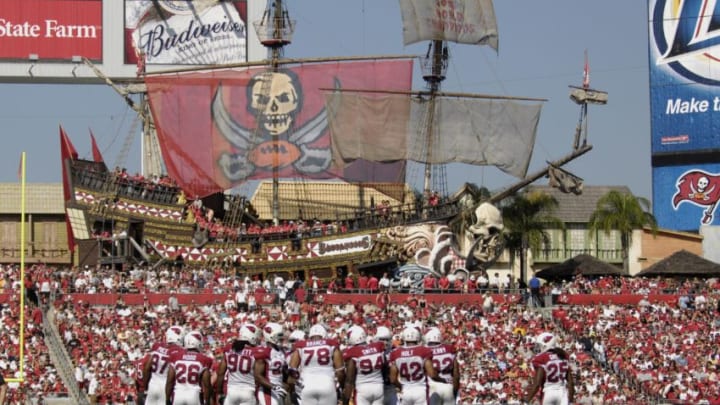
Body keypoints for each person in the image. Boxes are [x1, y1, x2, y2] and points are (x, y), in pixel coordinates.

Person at [288, 323, 345, 405]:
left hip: (306, 386)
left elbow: (292, 372)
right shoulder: (331, 343)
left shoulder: (301, 346)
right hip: (327, 385)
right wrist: (341, 387)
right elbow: (340, 372)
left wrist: (293, 390)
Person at [388, 327, 442, 405]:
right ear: (417, 337)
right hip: (420, 390)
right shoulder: (423, 351)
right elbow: (432, 373)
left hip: (405, 391)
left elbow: (392, 379)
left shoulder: (395, 353)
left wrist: (400, 386)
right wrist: (442, 380)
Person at [523, 332, 575, 405]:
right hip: (562, 393)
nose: (539, 347)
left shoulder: (542, 358)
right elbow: (571, 383)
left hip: (548, 392)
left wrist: (526, 401)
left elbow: (537, 384)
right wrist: (571, 400)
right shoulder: (563, 355)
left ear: (546, 344)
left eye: (540, 345)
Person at [216, 324, 262, 405]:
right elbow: (258, 376)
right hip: (248, 391)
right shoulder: (257, 352)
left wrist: (219, 391)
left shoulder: (229, 348)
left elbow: (220, 373)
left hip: (231, 392)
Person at [165, 330, 213, 405]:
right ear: (198, 343)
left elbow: (170, 380)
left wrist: (167, 398)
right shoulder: (204, 359)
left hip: (178, 395)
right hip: (194, 395)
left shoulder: (176, 356)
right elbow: (207, 384)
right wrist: (207, 401)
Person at [141, 325, 185, 405]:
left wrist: (146, 386)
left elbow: (147, 367)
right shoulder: (179, 351)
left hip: (153, 384)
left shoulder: (157, 346)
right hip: (166, 386)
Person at [343, 325, 386, 405]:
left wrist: (345, 401)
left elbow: (349, 380)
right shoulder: (377, 347)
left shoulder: (353, 352)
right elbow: (385, 368)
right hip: (379, 387)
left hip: (362, 389)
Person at [254, 322, 290, 405]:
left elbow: (284, 373)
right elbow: (257, 376)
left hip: (279, 390)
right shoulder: (264, 352)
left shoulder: (282, 351)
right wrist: (275, 387)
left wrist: (288, 383)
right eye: (278, 336)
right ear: (269, 336)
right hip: (268, 391)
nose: (281, 338)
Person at [424, 328, 459, 405]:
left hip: (433, 387)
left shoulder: (425, 351)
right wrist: (455, 390)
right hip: (448, 385)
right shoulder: (450, 348)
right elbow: (456, 374)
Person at [374, 326, 397, 405]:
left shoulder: (395, 351)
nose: (385, 342)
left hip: (391, 389)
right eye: (382, 339)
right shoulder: (372, 353)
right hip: (377, 389)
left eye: (387, 340)